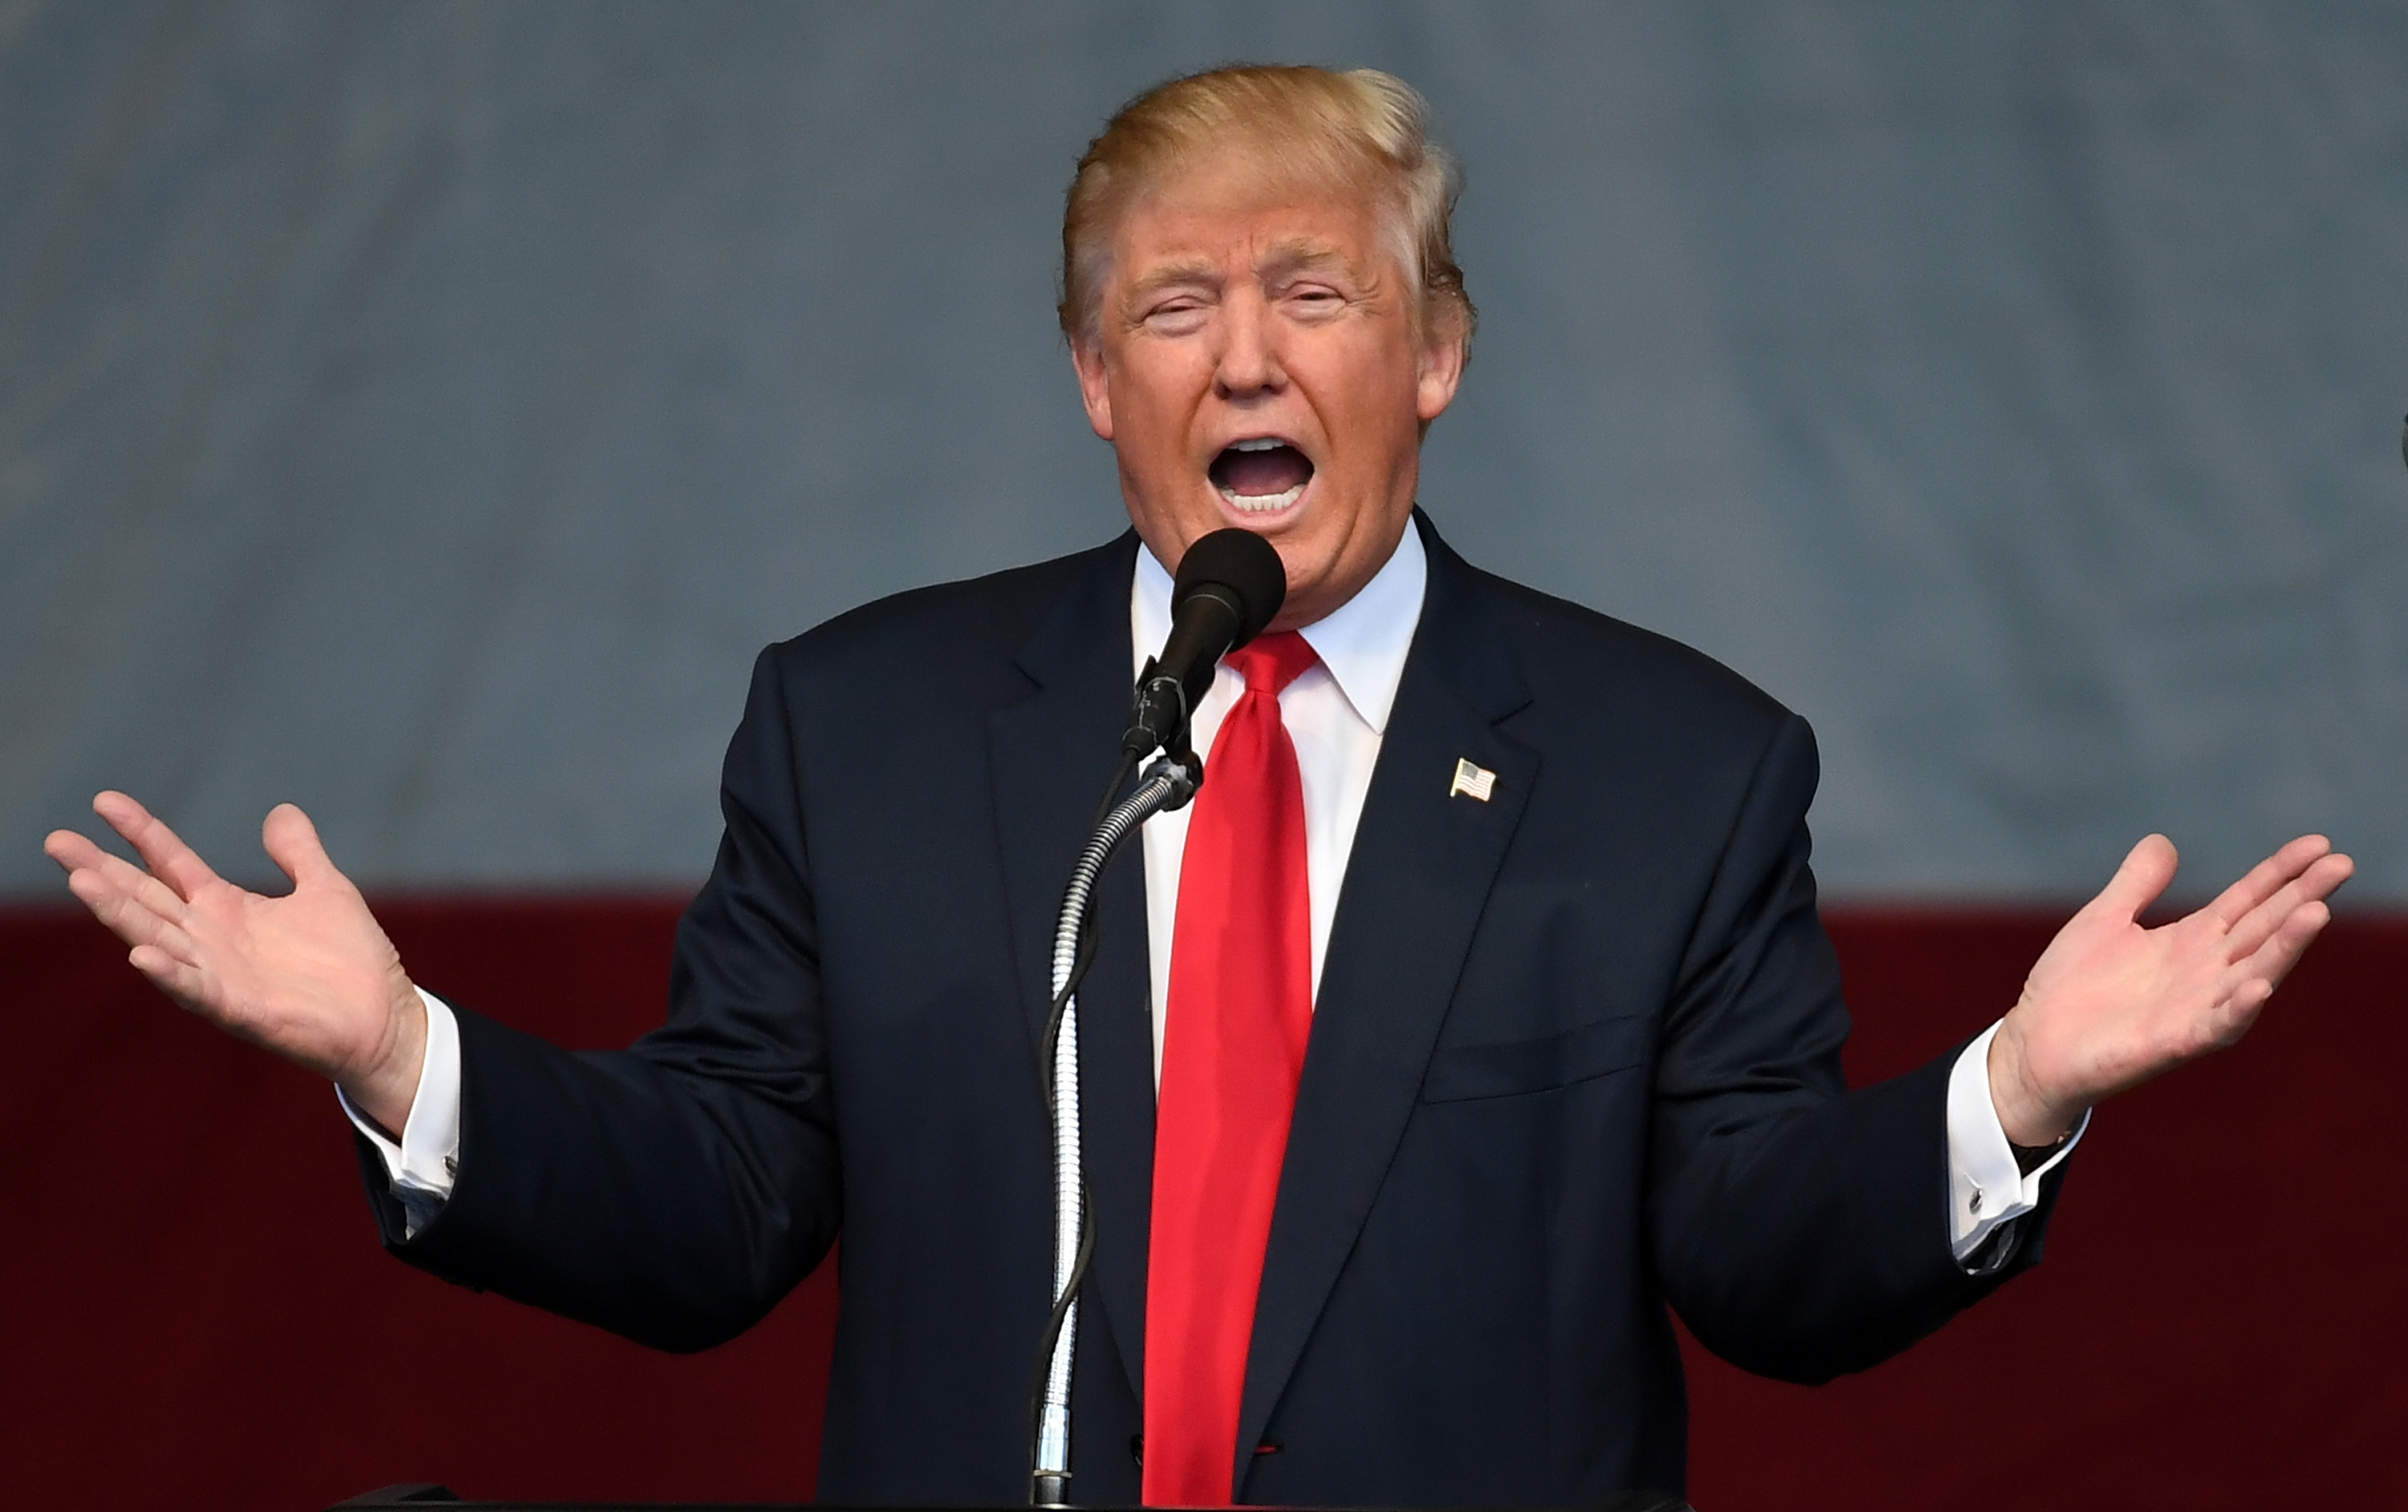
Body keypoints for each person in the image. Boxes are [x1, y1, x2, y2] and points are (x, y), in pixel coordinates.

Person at [45, 65, 2352, 1508]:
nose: (1242, 350)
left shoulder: (1675, 769)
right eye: (1171, 306)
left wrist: (2015, 1090)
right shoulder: (864, 724)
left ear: (1436, 350)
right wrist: (400, 1051)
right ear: (1089, 374)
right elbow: (718, 1199)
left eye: (1312, 292)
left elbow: (1756, 1253)